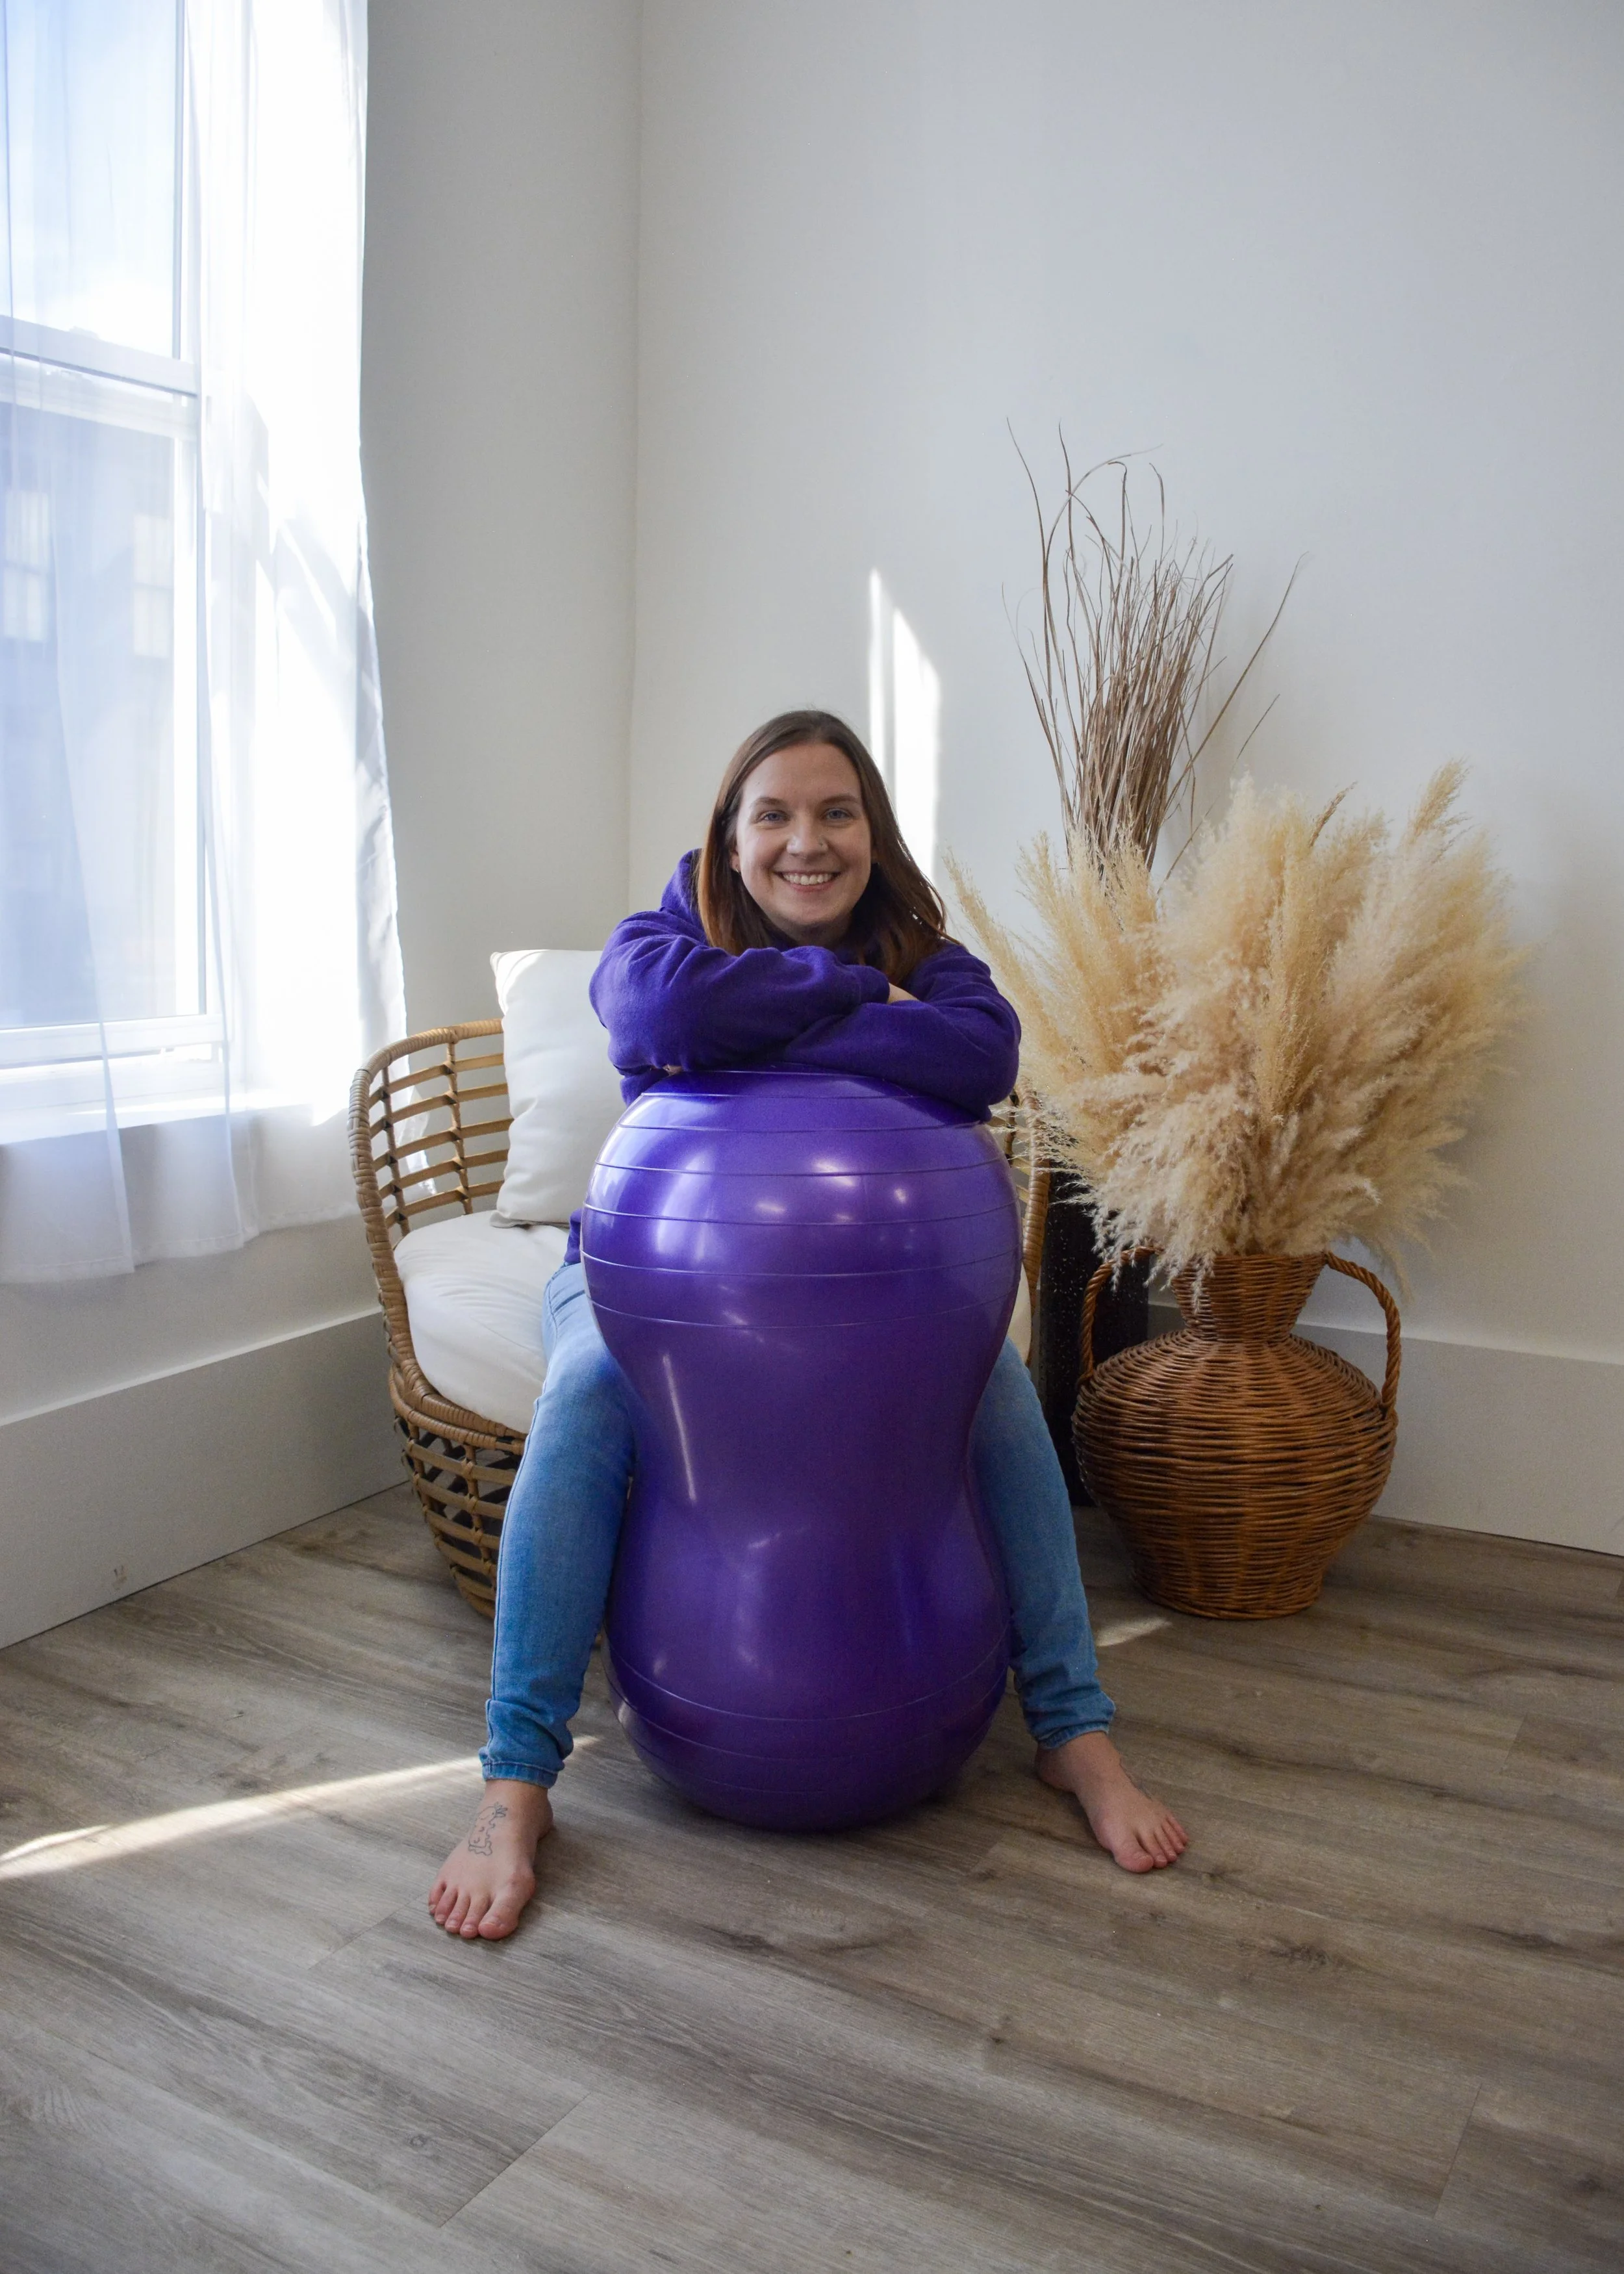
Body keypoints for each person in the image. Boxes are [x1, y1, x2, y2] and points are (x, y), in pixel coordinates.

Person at [431, 711, 1187, 1940]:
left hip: (886, 1306)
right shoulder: (662, 939)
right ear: (730, 842)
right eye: (772, 815)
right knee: (580, 1405)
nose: (806, 842)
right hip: (645, 1285)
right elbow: (652, 1023)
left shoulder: (929, 954)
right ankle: (516, 1783)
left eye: (837, 813)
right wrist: (849, 994)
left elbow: (982, 1053)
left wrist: (778, 1009)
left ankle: (1075, 1732)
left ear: (872, 833)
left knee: (997, 1402)